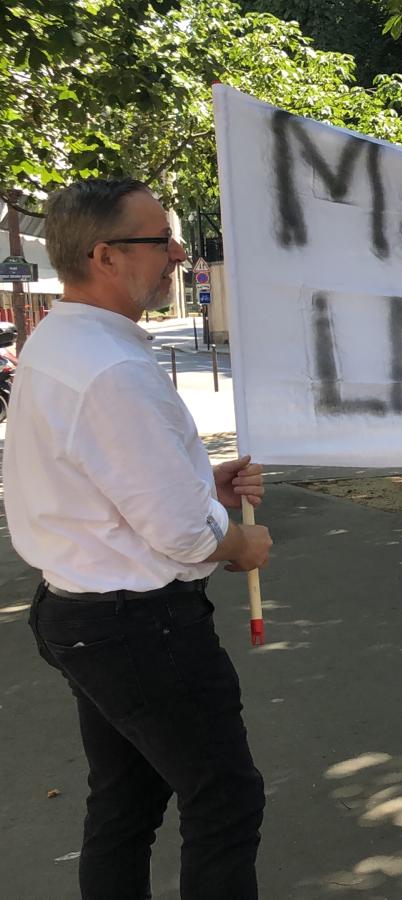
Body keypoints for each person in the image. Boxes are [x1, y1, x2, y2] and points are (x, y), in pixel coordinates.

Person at [4, 179, 274, 898]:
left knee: (127, 801)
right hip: (138, 626)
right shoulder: (113, 368)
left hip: (87, 612)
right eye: (160, 240)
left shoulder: (61, 338)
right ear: (105, 256)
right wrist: (236, 543)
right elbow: (184, 533)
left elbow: (106, 483)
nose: (180, 254)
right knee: (224, 797)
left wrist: (198, 483)